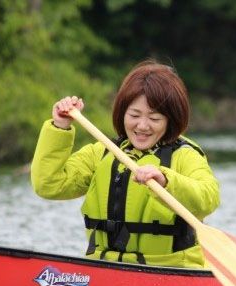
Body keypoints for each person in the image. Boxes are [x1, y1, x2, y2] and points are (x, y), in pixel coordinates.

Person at [31, 60, 220, 268]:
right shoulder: (102, 152)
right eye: (134, 115)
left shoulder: (185, 155)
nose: (142, 125)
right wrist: (60, 127)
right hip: (104, 270)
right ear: (123, 114)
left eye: (154, 118)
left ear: (170, 120)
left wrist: (166, 180)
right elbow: (49, 185)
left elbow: (209, 198)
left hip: (170, 271)